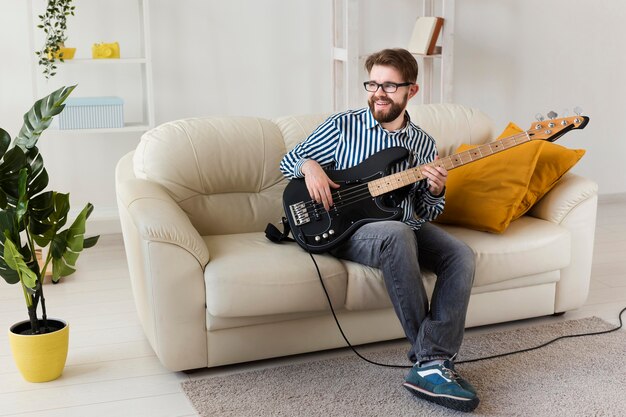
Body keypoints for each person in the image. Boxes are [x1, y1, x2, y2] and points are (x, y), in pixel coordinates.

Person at [279, 48, 478, 412]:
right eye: (373, 83)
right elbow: (288, 160)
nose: (378, 92)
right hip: (345, 228)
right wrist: (310, 167)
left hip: (402, 224)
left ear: (411, 91)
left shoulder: (422, 144)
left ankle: (430, 360)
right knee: (395, 234)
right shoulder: (343, 126)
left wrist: (435, 189)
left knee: (459, 254)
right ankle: (430, 363)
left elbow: (423, 212)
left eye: (389, 85)